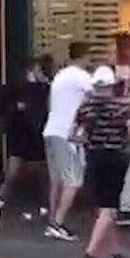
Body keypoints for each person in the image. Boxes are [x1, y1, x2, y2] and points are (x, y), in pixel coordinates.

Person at [76, 66, 130, 258]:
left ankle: (114, 251)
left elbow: (74, 133)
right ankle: (91, 253)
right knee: (110, 208)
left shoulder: (85, 107)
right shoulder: (118, 108)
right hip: (113, 157)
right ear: (112, 86)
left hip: (93, 157)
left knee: (101, 207)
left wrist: (88, 141)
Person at [0, 57, 50, 229]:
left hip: (18, 135)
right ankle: (45, 205)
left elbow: (0, 109)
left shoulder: (14, 88)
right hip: (32, 135)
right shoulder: (40, 89)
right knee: (42, 172)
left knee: (15, 172)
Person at [42, 42, 93, 241]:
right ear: (85, 56)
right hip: (66, 134)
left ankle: (52, 221)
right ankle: (57, 223)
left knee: (56, 180)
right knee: (73, 181)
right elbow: (96, 96)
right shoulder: (81, 76)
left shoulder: (60, 76)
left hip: (51, 130)